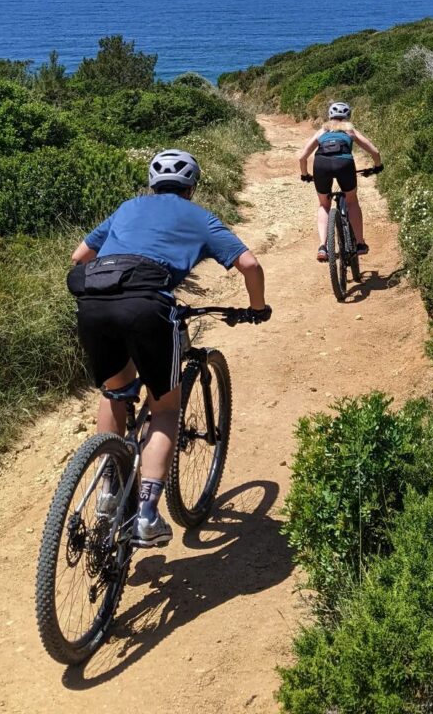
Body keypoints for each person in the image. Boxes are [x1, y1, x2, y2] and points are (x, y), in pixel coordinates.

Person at [69, 148, 270, 547]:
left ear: (152, 184)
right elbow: (249, 265)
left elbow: (79, 257)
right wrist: (256, 309)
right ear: (192, 187)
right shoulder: (199, 217)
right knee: (165, 409)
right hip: (147, 307)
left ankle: (109, 490)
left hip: (93, 302)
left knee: (115, 390)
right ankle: (146, 514)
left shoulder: (127, 207)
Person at [297, 101, 383, 262]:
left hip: (321, 165)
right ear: (348, 116)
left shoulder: (323, 130)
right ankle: (359, 243)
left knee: (324, 205)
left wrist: (305, 174)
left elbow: (302, 157)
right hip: (344, 164)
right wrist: (377, 166)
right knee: (352, 202)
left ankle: (323, 246)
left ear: (330, 116)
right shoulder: (350, 130)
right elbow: (374, 151)